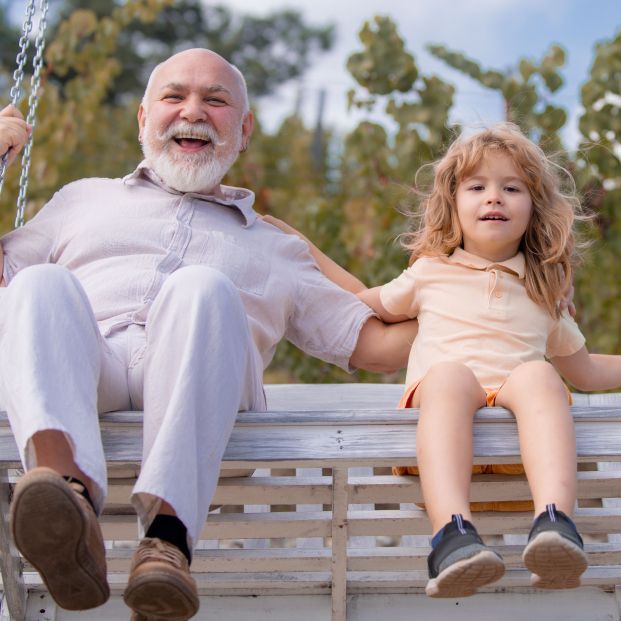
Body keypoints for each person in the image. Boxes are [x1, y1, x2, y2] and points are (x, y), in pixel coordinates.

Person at [0, 49, 417, 620]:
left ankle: (167, 542)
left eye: (215, 101)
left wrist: (500, 298)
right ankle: (64, 500)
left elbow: (378, 346)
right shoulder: (80, 199)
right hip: (87, 370)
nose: (192, 112)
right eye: (174, 97)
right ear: (143, 119)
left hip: (207, 391)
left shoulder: (277, 246)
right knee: (40, 284)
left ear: (243, 130)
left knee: (202, 288)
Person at [269, 123, 621, 599]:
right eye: (477, 187)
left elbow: (586, 371)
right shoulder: (429, 273)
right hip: (444, 431)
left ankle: (555, 523)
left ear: (534, 207)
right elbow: (360, 299)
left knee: (540, 373)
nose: (493, 197)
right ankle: (453, 536)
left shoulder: (544, 292)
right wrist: (299, 246)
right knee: (451, 376)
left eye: (511, 188)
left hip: (517, 456)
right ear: (453, 206)